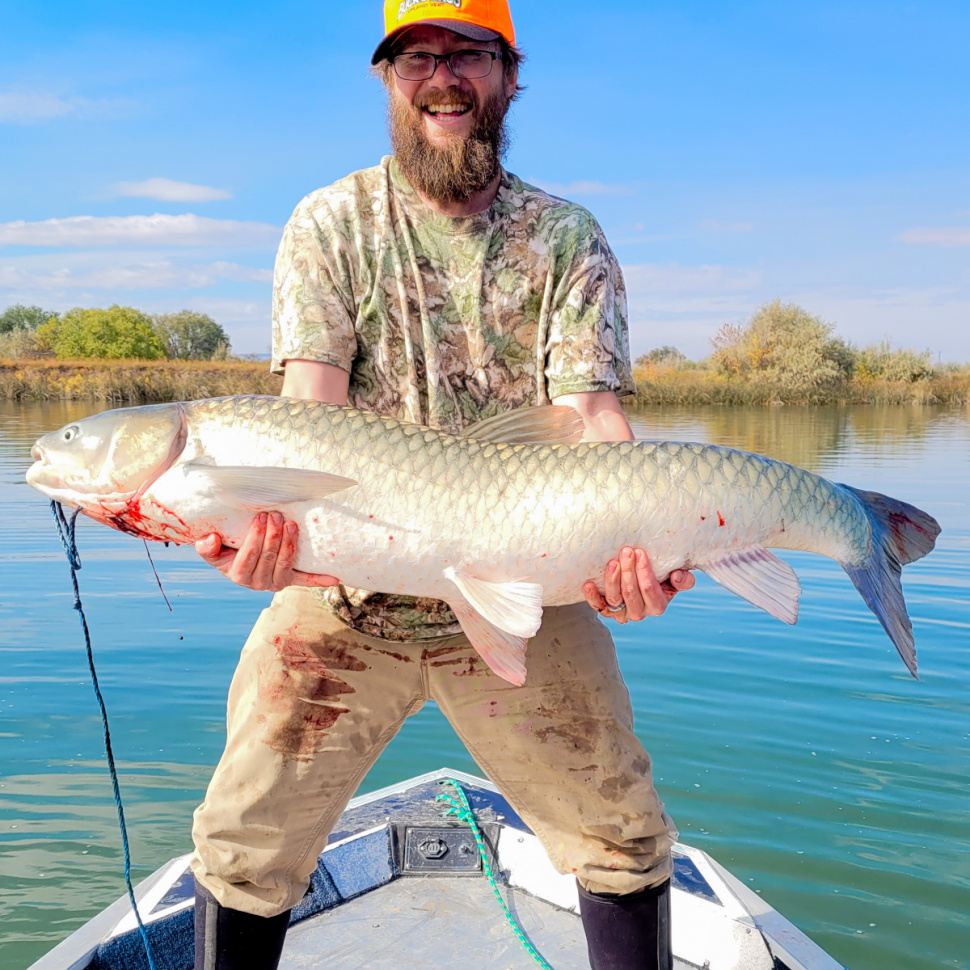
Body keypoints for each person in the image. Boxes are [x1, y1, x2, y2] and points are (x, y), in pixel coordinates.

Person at [190, 2, 695, 968]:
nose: (444, 76)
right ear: (388, 79)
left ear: (509, 74)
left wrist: (645, 551)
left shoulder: (565, 236)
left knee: (621, 839)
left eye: (469, 53)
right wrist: (263, 535)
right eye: (418, 56)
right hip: (345, 597)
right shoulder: (330, 223)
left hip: (530, 587)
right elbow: (310, 407)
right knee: (244, 844)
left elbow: (592, 419)